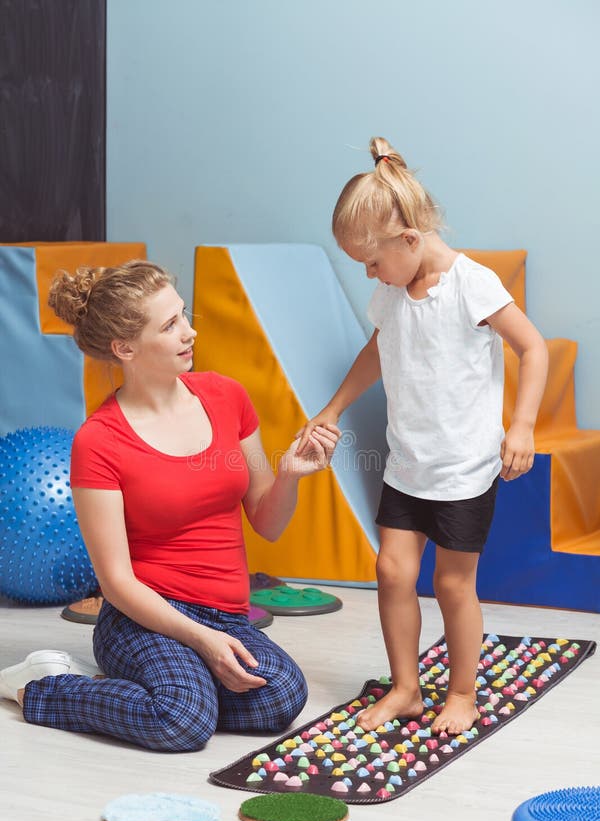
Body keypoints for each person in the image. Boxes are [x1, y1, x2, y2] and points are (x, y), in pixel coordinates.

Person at [0, 260, 340, 751]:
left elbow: (267, 522)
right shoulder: (98, 441)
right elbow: (115, 583)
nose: (190, 331)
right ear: (125, 348)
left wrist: (289, 475)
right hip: (141, 616)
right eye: (170, 325)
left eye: (183, 315)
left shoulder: (226, 397)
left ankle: (169, 689)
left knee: (282, 699)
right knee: (181, 721)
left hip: (224, 612)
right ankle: (45, 686)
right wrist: (201, 642)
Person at [299, 137, 548, 736]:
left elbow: (532, 347)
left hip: (463, 468)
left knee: (453, 581)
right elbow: (378, 350)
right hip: (406, 465)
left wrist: (522, 424)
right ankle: (407, 688)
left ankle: (462, 692)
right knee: (391, 573)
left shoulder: (473, 284)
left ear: (409, 240)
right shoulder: (392, 288)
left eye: (372, 260)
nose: (369, 273)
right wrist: (332, 407)